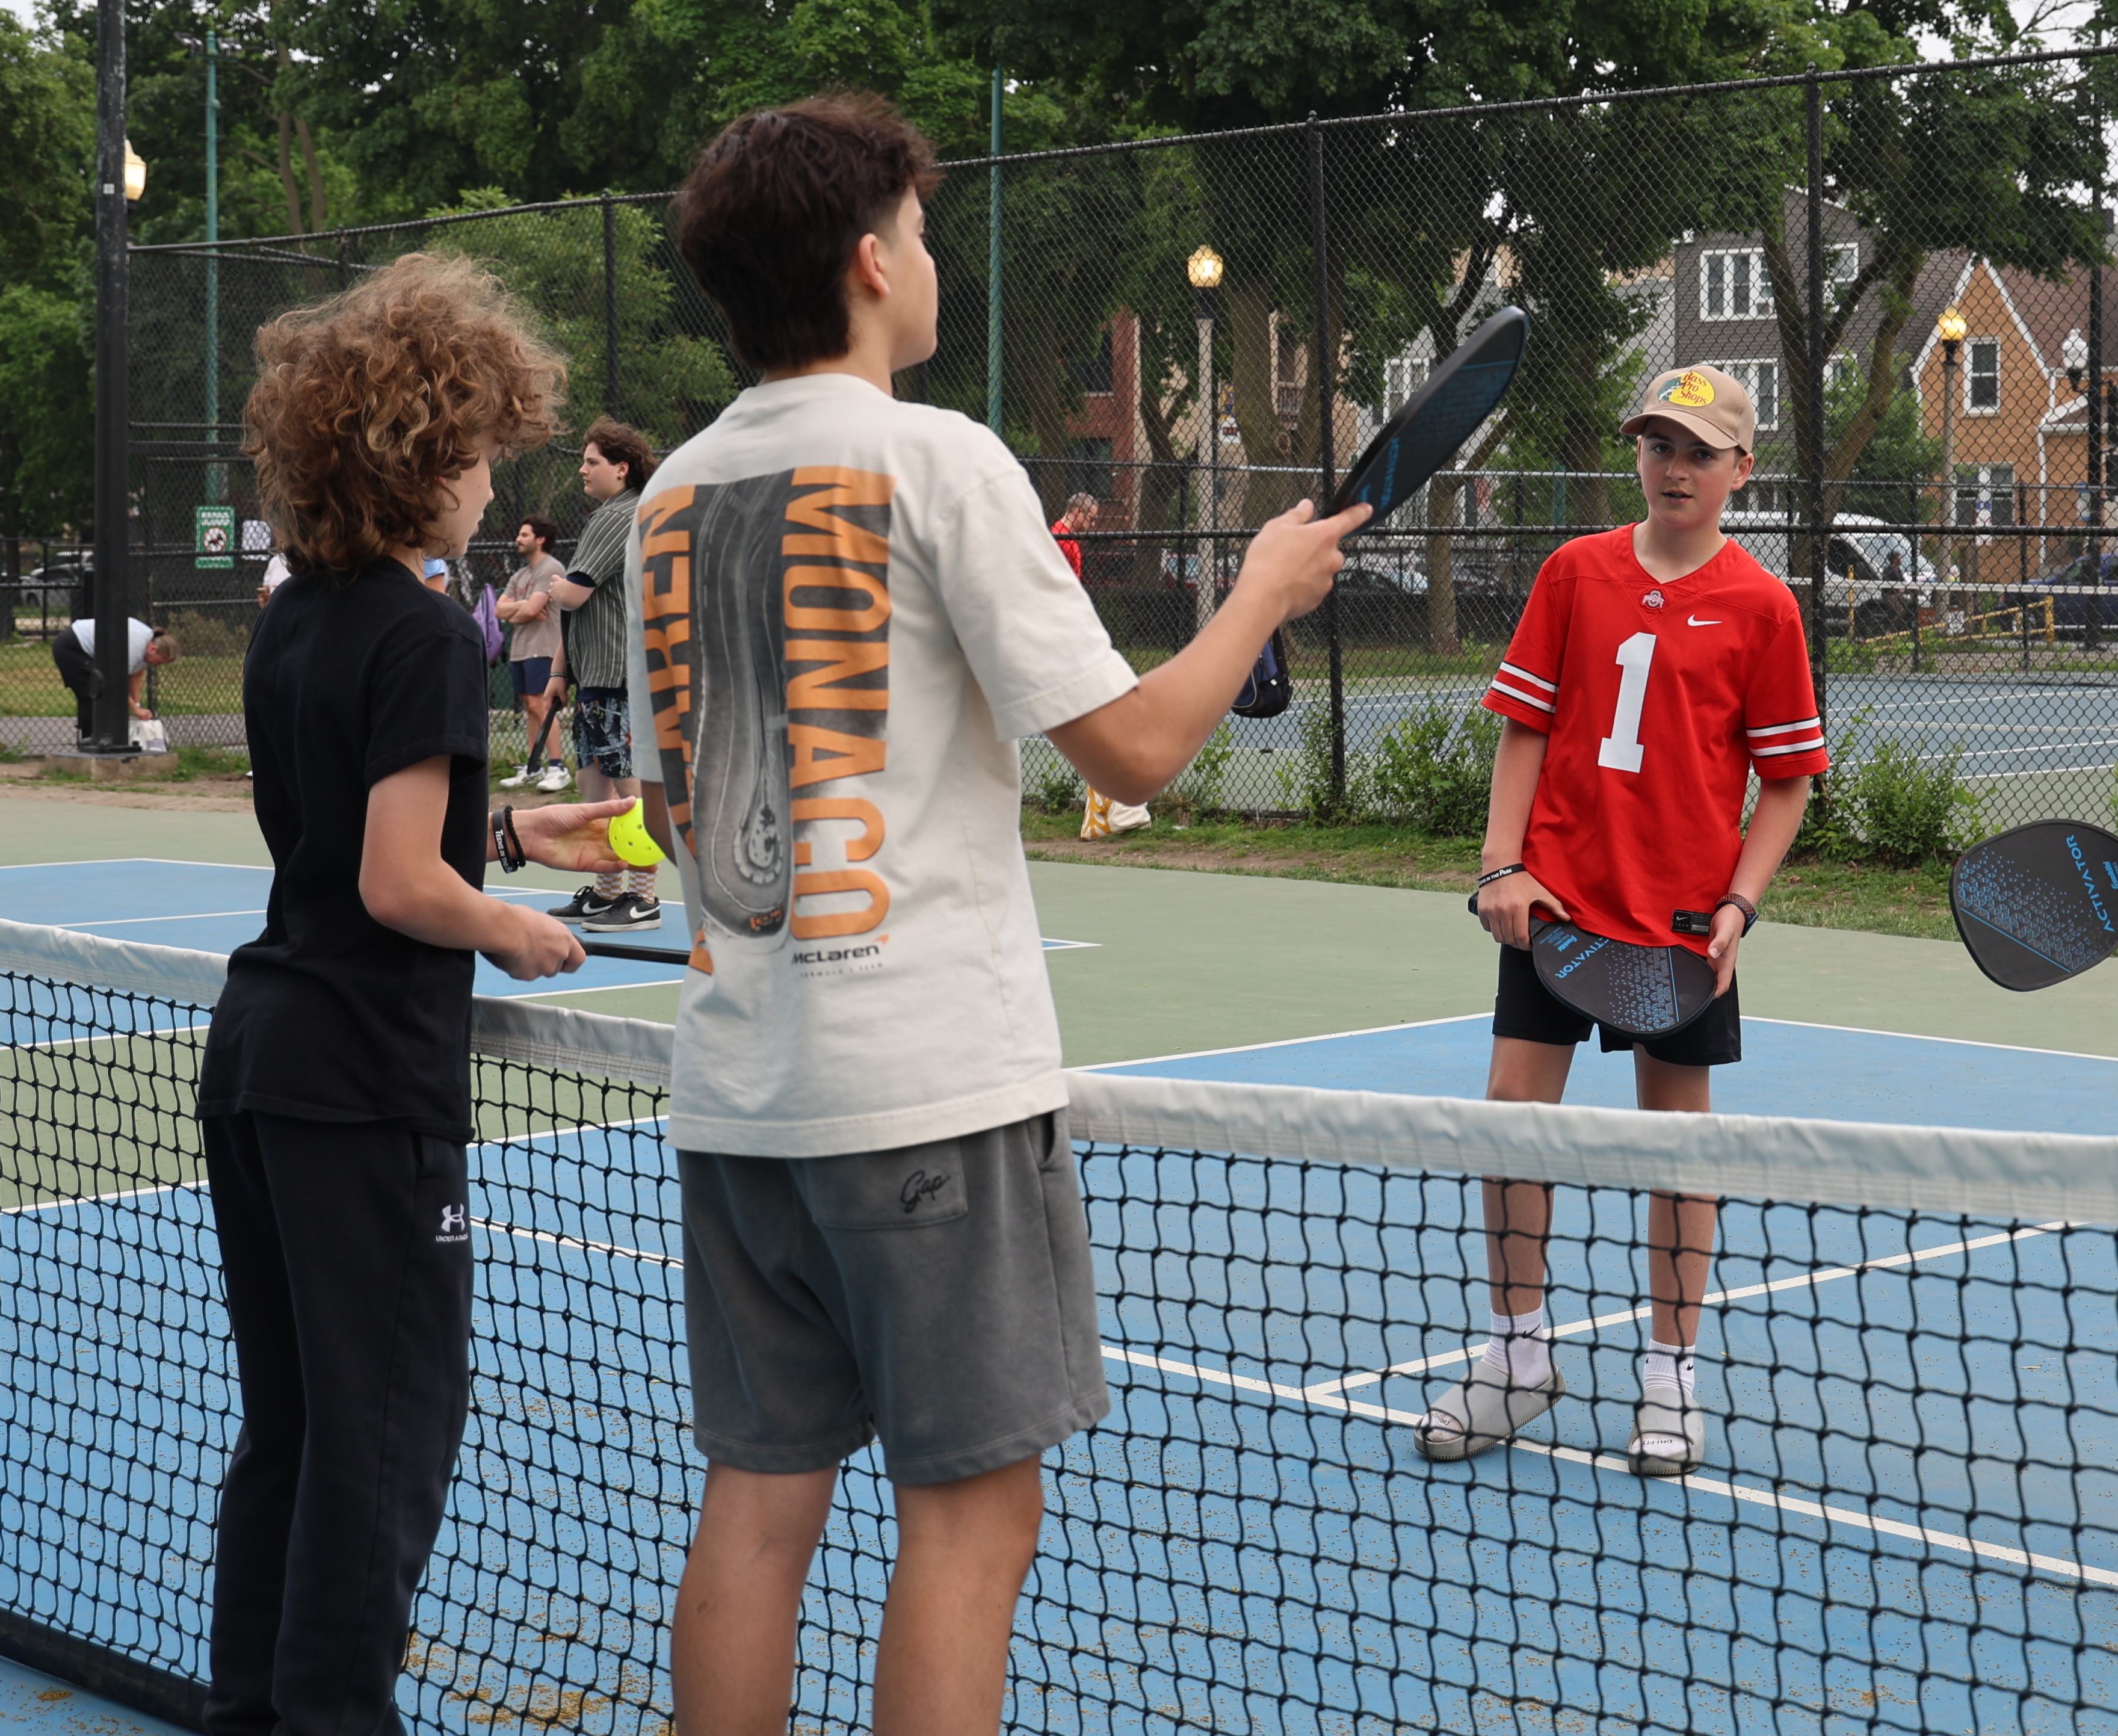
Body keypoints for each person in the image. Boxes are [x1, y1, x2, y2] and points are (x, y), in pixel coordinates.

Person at [637, 93, 1360, 1736]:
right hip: (926, 1094)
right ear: (871, 262)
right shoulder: (941, 460)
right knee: (970, 1528)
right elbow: (1138, 752)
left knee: (758, 1509)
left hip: (738, 1099)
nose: (935, 258)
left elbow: (678, 805)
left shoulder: (671, 494)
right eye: (926, 230)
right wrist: (1259, 589)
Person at [205, 249, 632, 1736]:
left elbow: (350, 824)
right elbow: (398, 886)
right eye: (479, 446)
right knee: (383, 1439)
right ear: (421, 455)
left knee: (294, 1426)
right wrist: (507, 923)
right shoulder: (427, 633)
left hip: (259, 1051)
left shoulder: (297, 616)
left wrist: (509, 830)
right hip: (358, 1078)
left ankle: (254, 1712)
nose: (488, 474)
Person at [1418, 363, 1823, 1480]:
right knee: (1509, 1118)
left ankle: (1670, 1383)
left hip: (1685, 929)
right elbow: (1524, 733)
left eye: (1699, 450)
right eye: (1658, 444)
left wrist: (1743, 902)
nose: (1675, 467)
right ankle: (1514, 1360)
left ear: (1742, 470)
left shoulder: (1764, 608)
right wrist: (1504, 865)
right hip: (1557, 912)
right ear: (1636, 454)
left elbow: (1785, 782)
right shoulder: (1574, 574)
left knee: (1675, 1142)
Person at [542, 419, 663, 931]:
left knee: (628, 789)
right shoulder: (606, 515)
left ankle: (645, 897)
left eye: (592, 461)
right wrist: (559, 672)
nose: (583, 468)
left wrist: (549, 587)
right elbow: (577, 612)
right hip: (593, 676)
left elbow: (573, 594)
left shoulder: (620, 515)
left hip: (617, 676)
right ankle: (607, 890)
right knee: (595, 789)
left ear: (622, 468)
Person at [1049, 492, 1153, 839]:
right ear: (1076, 512)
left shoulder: (1068, 541)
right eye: (1090, 518)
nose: (1093, 525)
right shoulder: (1061, 541)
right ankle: (1112, 808)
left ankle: (1108, 810)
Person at [495, 514, 570, 788]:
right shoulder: (520, 574)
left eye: (524, 535)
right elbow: (499, 610)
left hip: (544, 648)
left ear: (540, 540)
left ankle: (558, 767)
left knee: (543, 706)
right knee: (530, 707)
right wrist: (523, 608)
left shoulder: (552, 568)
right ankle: (533, 766)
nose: (518, 539)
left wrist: (521, 608)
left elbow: (525, 610)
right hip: (522, 649)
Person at [54, 614, 179, 721]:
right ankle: (91, 741)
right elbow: (116, 680)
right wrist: (136, 710)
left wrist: (137, 704)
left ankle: (99, 740)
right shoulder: (135, 646)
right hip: (72, 647)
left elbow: (136, 676)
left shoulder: (148, 643)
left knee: (102, 696)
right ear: (153, 650)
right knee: (95, 695)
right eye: (160, 662)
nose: (158, 665)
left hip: (86, 651)